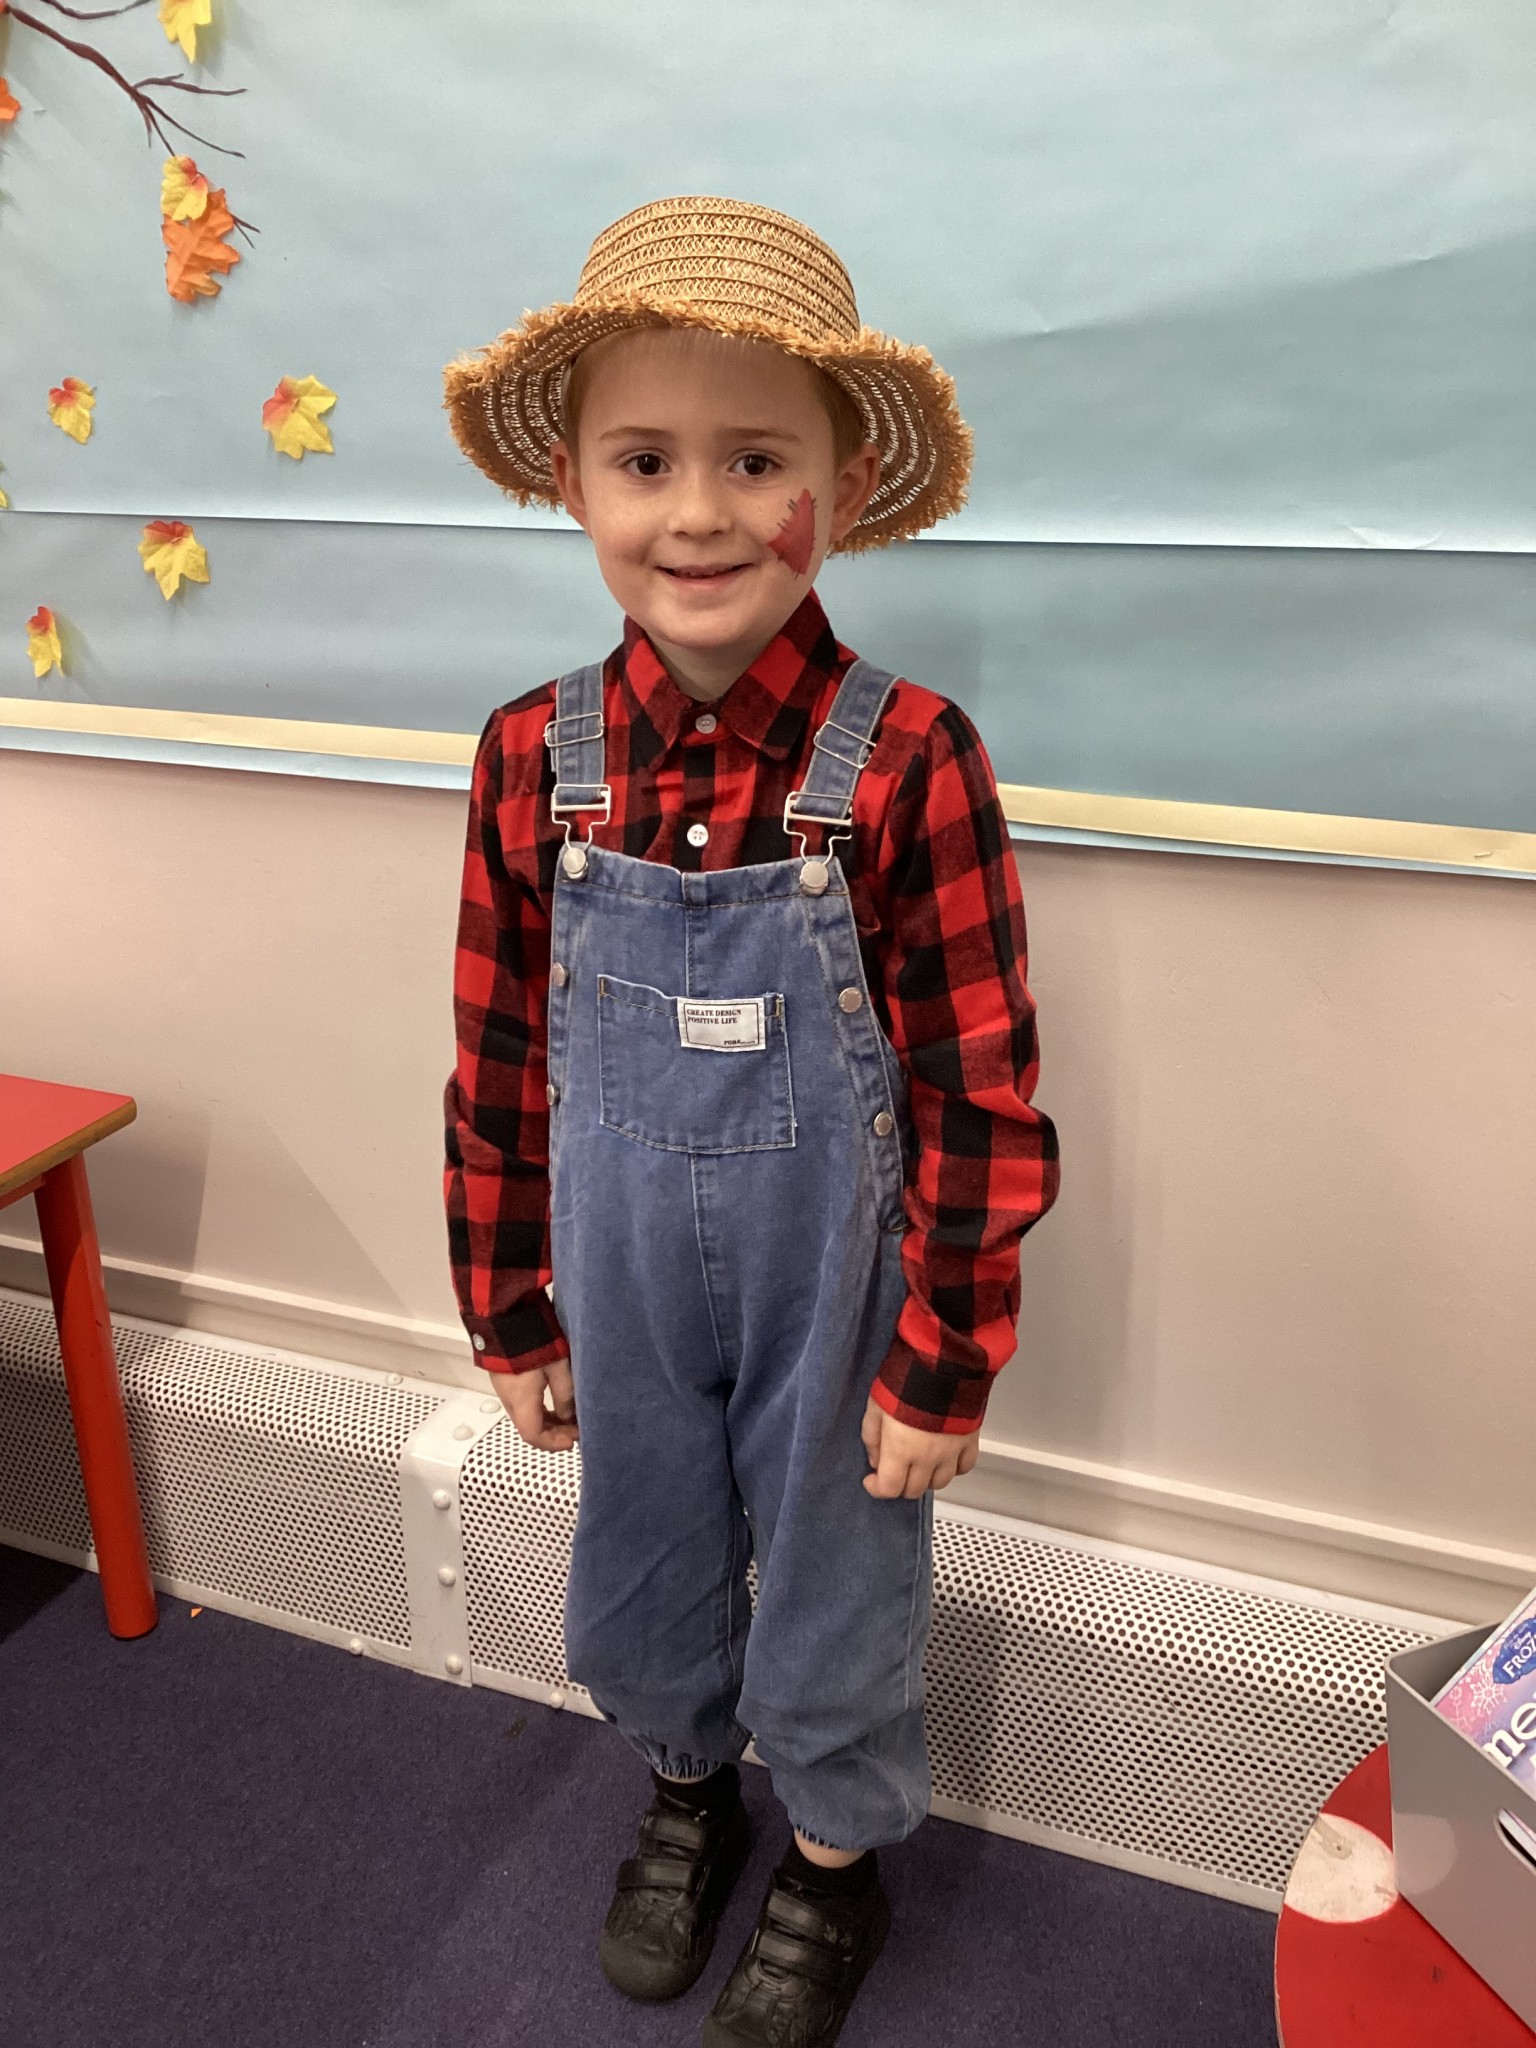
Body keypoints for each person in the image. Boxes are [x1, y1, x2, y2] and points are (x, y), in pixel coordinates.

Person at [441, 196, 1059, 2048]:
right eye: (647, 460)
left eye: (756, 459)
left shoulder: (912, 758)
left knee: (839, 1590)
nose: (698, 512)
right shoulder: (527, 759)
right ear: (573, 483)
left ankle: (836, 1864)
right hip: (614, 1270)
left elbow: (977, 1083)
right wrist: (509, 1304)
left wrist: (945, 1360)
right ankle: (687, 1788)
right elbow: (490, 1056)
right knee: (637, 1547)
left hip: (838, 1293)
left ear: (845, 490)